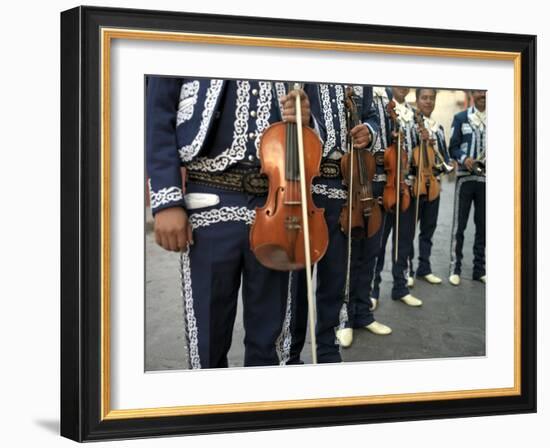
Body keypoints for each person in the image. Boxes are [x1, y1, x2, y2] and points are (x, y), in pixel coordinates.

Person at [146, 77, 319, 368]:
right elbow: (158, 114)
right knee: (207, 341)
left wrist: (308, 120)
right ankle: (213, 411)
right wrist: (167, 199)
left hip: (278, 206)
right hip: (209, 201)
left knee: (270, 342)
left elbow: (319, 129)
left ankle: (258, 410)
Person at [288, 83, 390, 363]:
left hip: (347, 188)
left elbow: (370, 115)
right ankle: (291, 353)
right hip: (309, 183)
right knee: (297, 283)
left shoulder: (362, 80)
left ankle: (327, 350)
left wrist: (368, 131)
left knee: (335, 278)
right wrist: (306, 119)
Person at [371, 86, 423, 309]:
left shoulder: (414, 114)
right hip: (388, 185)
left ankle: (400, 287)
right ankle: (372, 291)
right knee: (379, 244)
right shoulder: (383, 107)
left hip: (407, 185)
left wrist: (424, 140)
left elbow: (419, 152)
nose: (403, 87)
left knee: (404, 241)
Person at [407, 88, 452, 286]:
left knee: (428, 230)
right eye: (424, 98)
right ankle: (407, 270)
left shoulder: (439, 129)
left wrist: (435, 149)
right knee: (409, 231)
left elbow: (445, 159)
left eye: (431, 98)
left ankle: (424, 268)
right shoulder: (411, 124)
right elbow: (408, 154)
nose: (428, 101)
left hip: (433, 184)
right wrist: (421, 140)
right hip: (416, 184)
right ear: (417, 100)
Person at [448, 90, 487, 285]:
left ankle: (479, 269)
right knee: (459, 225)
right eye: (479, 91)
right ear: (472, 94)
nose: (483, 95)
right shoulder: (461, 117)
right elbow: (452, 147)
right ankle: (455, 268)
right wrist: (464, 159)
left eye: (486, 91)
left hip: (487, 180)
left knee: (484, 227)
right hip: (465, 178)